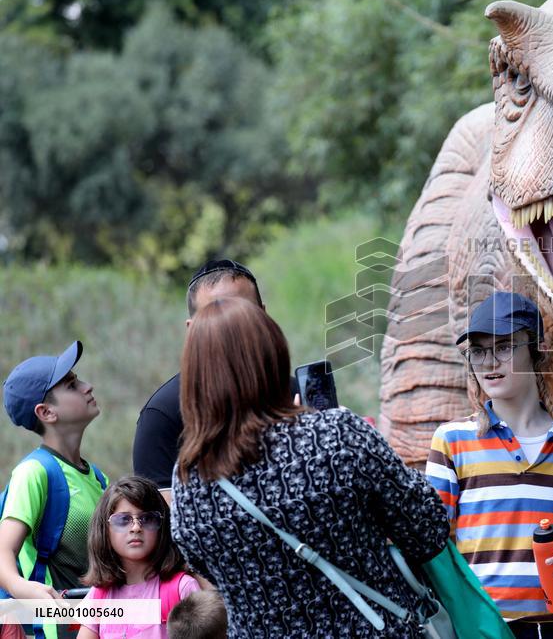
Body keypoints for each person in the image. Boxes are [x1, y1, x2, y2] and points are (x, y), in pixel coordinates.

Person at [170, 297, 451, 638]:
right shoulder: (336, 434)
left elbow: (209, 570)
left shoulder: (188, 481)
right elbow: (428, 529)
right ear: (273, 358)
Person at [425, 292, 553, 639]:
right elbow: (433, 544)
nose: (488, 363)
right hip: (485, 626)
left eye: (504, 347)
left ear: (536, 347)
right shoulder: (452, 441)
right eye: (479, 351)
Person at [132, 259, 266, 501]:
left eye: (245, 313)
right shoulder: (163, 415)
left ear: (264, 315)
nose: (234, 326)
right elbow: (164, 523)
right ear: (193, 329)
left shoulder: (293, 392)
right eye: (217, 316)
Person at [0, 342, 107, 639]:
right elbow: (2, 552)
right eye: (72, 385)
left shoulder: (99, 478)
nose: (88, 386)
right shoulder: (33, 473)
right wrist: (23, 589)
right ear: (46, 412)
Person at [77, 476, 200, 639]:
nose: (136, 527)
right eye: (123, 520)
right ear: (104, 530)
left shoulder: (182, 589)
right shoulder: (99, 595)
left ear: (163, 527)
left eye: (147, 518)